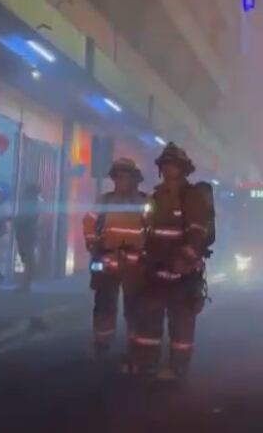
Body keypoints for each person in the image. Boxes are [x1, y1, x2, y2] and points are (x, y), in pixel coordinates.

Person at [132, 143, 212, 379]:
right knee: (149, 320)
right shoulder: (155, 197)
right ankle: (147, 363)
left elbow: (197, 232)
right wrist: (141, 258)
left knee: (181, 323)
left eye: (173, 165)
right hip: (156, 269)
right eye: (165, 165)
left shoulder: (192, 196)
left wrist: (186, 260)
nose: (168, 169)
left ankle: (178, 367)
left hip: (182, 273)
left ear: (183, 169)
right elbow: (146, 230)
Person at [83, 158, 148, 361]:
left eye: (125, 177)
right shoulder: (104, 201)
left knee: (135, 305)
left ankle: (135, 343)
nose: (121, 181)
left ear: (134, 180)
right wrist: (93, 243)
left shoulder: (146, 202)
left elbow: (154, 227)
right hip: (107, 259)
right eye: (118, 177)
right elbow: (89, 222)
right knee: (104, 303)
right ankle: (102, 341)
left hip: (136, 263)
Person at [13, 184, 42, 291]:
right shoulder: (33, 202)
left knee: (28, 256)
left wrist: (18, 222)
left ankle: (26, 282)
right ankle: (26, 282)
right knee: (26, 255)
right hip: (26, 231)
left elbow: (29, 217)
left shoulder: (33, 202)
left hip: (27, 231)